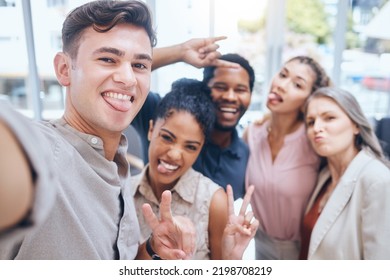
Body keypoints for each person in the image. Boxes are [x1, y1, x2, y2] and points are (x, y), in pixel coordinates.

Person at [0, 0, 197, 260]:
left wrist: (151, 250)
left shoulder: (116, 161)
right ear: (63, 69)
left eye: (139, 65)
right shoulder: (36, 152)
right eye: (107, 59)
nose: (127, 79)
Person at [132, 52, 255, 200]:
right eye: (220, 87)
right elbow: (130, 74)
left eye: (240, 90)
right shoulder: (166, 114)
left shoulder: (245, 155)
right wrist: (180, 53)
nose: (230, 97)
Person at [244, 56, 331, 259]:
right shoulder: (252, 134)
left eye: (297, 84)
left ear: (307, 101)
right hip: (259, 245)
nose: (281, 85)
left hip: (304, 250)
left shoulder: (313, 141)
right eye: (282, 74)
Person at [132, 78, 227, 259]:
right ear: (151, 129)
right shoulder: (123, 193)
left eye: (190, 147)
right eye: (167, 137)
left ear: (200, 149)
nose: (175, 155)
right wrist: (152, 247)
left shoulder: (214, 202)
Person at [300, 87, 390, 260]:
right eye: (311, 122)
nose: (317, 128)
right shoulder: (324, 175)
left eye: (329, 118)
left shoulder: (378, 181)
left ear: (356, 125)